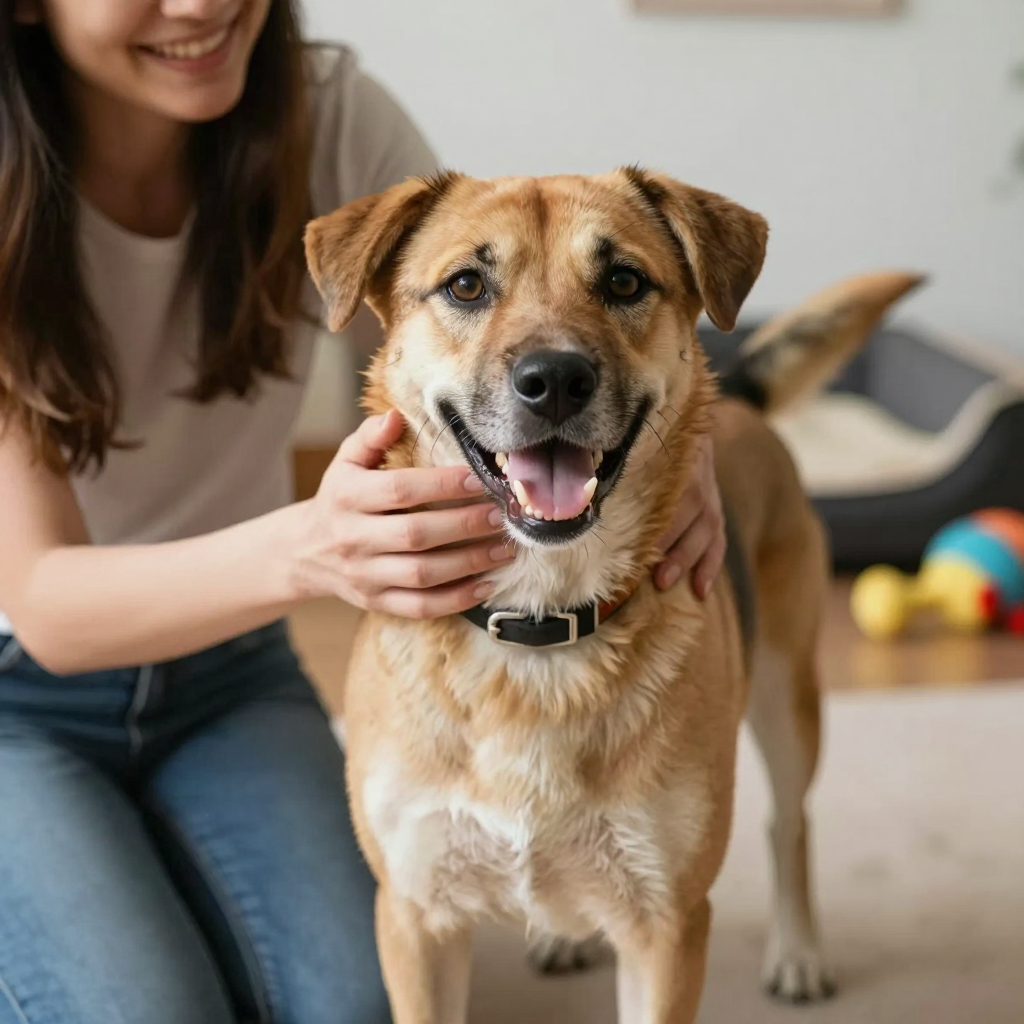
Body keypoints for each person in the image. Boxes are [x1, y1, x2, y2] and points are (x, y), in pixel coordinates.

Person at [0, 2, 727, 1022]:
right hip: (19, 703)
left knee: (349, 1005)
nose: (203, 6)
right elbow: (43, 606)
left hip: (228, 673)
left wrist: (675, 439)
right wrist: (313, 547)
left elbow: (512, 249)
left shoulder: (326, 110)